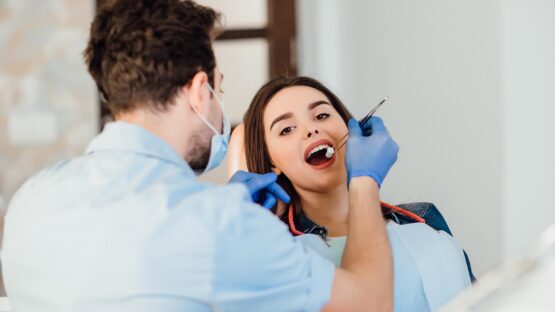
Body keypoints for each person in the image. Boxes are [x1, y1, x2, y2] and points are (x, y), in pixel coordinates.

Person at [0, 1, 399, 311]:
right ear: (198, 91)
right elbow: (370, 303)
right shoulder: (218, 223)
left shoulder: (30, 200)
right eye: (219, 91)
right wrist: (364, 180)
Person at [240, 76, 473, 311]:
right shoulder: (275, 253)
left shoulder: (424, 218)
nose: (311, 129)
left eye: (321, 115)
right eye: (287, 129)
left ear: (350, 128)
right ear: (272, 162)